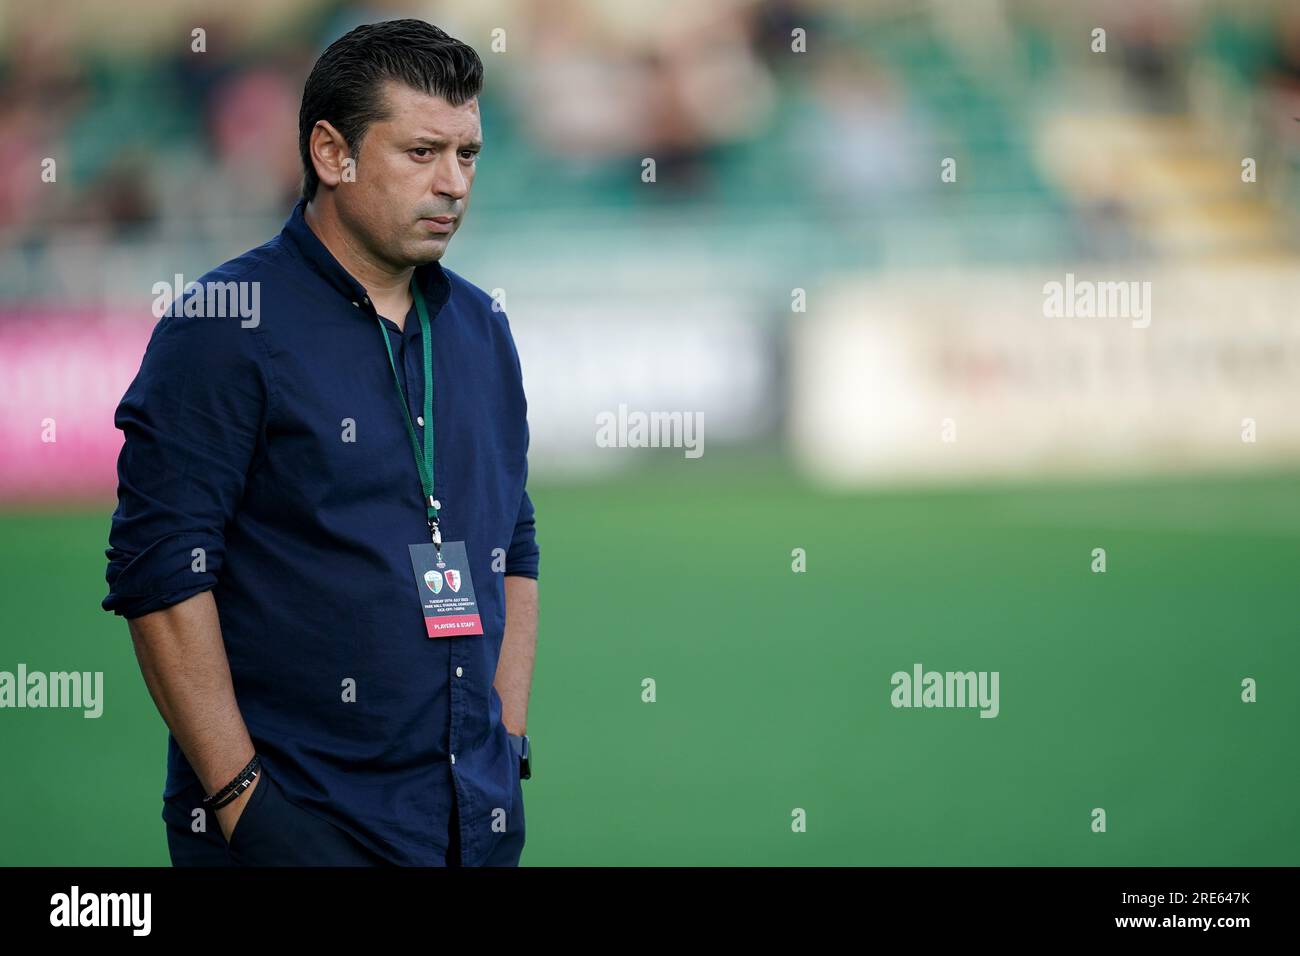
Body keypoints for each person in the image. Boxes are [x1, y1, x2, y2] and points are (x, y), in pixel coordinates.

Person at [102, 19, 539, 866]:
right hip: (298, 824)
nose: (453, 183)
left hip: (468, 824)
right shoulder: (224, 325)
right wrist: (242, 804)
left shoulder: (483, 328)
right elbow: (160, 573)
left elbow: (511, 542)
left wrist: (505, 744)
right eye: (421, 153)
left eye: (468, 155)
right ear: (332, 154)